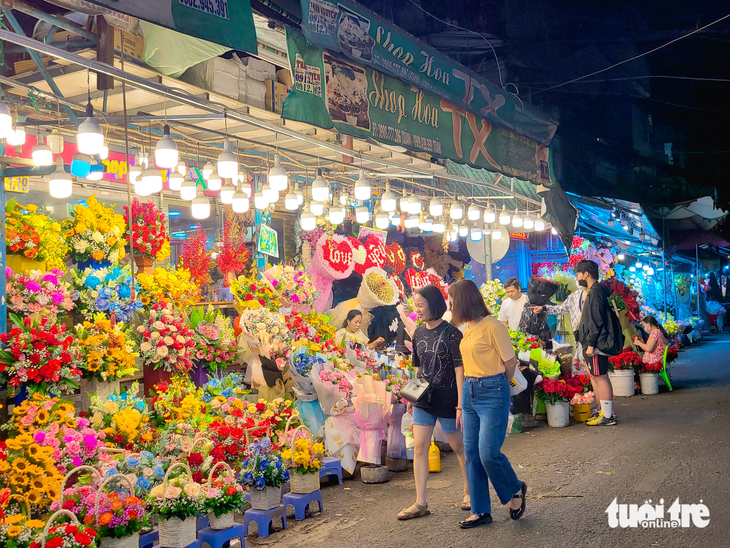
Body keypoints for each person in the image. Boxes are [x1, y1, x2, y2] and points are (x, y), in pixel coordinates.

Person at [448, 280, 526, 529]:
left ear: (463, 301)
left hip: (493, 390)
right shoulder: (469, 327)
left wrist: (498, 384)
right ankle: (480, 510)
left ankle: (515, 489)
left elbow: (510, 362)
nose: (450, 305)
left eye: (452, 300)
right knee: (471, 454)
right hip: (470, 391)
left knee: (488, 453)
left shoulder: (493, 326)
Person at [397, 285, 470, 520]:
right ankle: (421, 502)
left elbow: (460, 370)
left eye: (420, 306)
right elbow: (418, 369)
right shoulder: (418, 332)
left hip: (448, 400)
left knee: (459, 448)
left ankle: (470, 492)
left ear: (434, 304)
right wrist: (411, 396)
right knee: (419, 447)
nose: (416, 310)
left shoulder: (452, 333)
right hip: (424, 401)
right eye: (415, 306)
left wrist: (460, 404)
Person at [575, 260, 618, 426]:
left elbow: (596, 319)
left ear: (586, 274)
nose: (577, 278)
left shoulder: (596, 291)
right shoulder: (595, 290)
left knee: (600, 377)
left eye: (578, 274)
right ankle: (603, 412)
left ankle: (608, 416)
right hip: (594, 341)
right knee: (596, 376)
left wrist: (591, 343)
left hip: (597, 343)